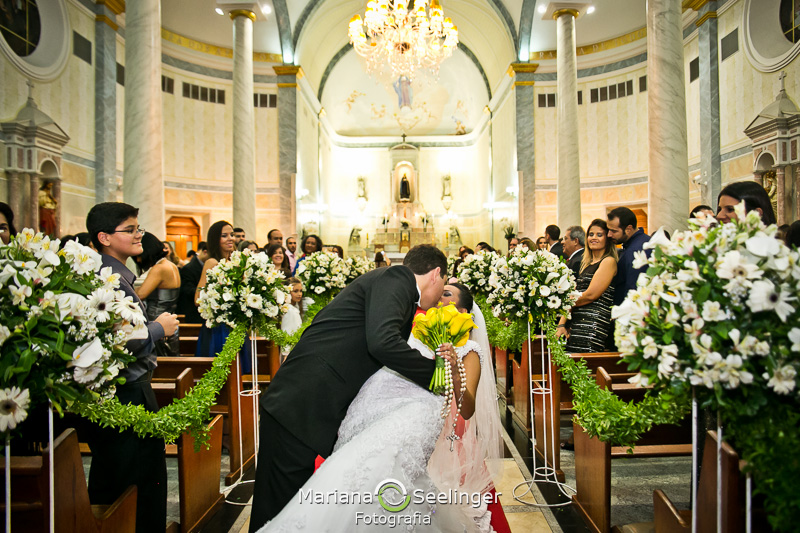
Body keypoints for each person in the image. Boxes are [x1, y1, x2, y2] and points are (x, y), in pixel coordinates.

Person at [256, 279, 500, 533]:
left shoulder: (469, 350)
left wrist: (456, 376)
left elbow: (468, 408)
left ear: (463, 311)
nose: (439, 296)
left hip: (416, 414)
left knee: (380, 463)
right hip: (380, 406)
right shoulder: (418, 330)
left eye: (447, 294)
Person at [249, 244, 448, 530]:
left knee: (292, 511)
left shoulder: (395, 287)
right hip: (299, 404)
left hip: (308, 406)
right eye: (444, 286)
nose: (441, 295)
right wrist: (435, 374)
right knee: (277, 510)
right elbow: (382, 343)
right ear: (436, 273)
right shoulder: (397, 279)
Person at [84, 202, 178, 533]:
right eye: (131, 229)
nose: (140, 234)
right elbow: (117, 339)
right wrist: (159, 328)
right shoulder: (108, 279)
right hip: (126, 391)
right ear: (104, 237)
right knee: (134, 477)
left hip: (130, 386)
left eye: (138, 227)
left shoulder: (120, 275)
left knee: (130, 473)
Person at [194, 221, 253, 373]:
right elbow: (198, 298)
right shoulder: (212, 262)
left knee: (240, 370)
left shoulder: (236, 262)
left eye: (232, 235)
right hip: (219, 328)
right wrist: (219, 301)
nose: (230, 239)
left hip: (237, 323)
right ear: (215, 240)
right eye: (224, 236)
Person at [557, 219, 618, 353]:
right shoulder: (586, 264)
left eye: (599, 235)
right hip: (577, 322)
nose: (594, 238)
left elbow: (590, 295)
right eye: (591, 234)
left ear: (607, 239)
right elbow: (575, 293)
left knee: (585, 364)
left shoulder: (608, 261)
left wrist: (563, 301)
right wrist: (561, 323)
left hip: (593, 323)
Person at [134, 232, 181, 357]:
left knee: (161, 365)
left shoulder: (159, 268)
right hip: (169, 320)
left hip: (158, 322)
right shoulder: (171, 265)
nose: (138, 259)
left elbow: (141, 295)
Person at [607, 206, 650, 306]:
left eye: (613, 231)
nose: (609, 234)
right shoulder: (642, 241)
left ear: (628, 229)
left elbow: (633, 291)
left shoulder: (635, 251)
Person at [177, 241, 208, 324]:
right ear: (205, 252)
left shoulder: (204, 265)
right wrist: (207, 291)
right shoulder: (189, 268)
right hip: (193, 311)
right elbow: (187, 289)